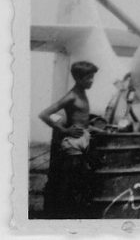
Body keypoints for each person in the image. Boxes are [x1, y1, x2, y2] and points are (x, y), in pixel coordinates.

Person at [38, 60, 102, 218]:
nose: (92, 81)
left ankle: (72, 213)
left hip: (83, 140)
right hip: (73, 143)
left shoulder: (82, 94)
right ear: (78, 79)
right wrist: (65, 130)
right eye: (89, 78)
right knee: (69, 183)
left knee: (79, 181)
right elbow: (44, 114)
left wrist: (97, 129)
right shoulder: (72, 96)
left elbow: (82, 121)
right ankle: (62, 216)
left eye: (92, 77)